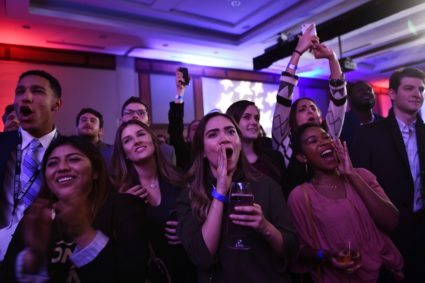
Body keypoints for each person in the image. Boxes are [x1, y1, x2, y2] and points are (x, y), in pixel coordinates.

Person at [0, 136, 149, 282]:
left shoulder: (125, 207)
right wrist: (34, 256)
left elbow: (133, 274)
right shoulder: (37, 215)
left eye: (74, 159)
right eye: (52, 163)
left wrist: (84, 233)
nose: (62, 168)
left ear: (96, 172)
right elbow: (7, 275)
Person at [177, 111, 299, 283]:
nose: (224, 138)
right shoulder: (191, 193)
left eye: (230, 131)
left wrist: (264, 226)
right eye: (213, 134)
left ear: (239, 144)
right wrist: (219, 191)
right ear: (203, 151)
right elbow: (202, 257)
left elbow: (291, 249)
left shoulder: (267, 185)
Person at [288, 123, 403, 282]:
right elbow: (299, 250)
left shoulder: (363, 175)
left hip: (384, 272)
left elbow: (391, 221)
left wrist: (352, 175)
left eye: (326, 137)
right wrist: (326, 256)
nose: (323, 142)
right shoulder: (300, 196)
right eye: (313, 141)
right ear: (302, 157)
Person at [352, 67, 425, 282]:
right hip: (386, 233)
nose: (417, 94)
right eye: (409, 88)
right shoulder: (369, 134)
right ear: (392, 94)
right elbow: (359, 189)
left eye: (421, 89)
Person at [111, 119, 196, 283]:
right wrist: (124, 207)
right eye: (127, 140)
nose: (136, 141)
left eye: (141, 134)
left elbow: (199, 219)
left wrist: (187, 230)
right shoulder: (118, 191)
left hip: (185, 269)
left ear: (153, 141)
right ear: (125, 154)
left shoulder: (180, 179)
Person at [272, 24, 347, 191]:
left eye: (313, 108)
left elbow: (338, 99)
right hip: (299, 210)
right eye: (302, 109)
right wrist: (297, 52)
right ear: (292, 119)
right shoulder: (284, 139)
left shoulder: (330, 133)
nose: (310, 111)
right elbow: (284, 98)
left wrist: (332, 58)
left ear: (320, 117)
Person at [0, 70, 62, 263]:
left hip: (52, 256)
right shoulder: (2, 145)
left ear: (56, 104)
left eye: (37, 91)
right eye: (20, 91)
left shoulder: (73, 152)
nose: (26, 98)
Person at [226, 100, 288, 196]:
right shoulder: (227, 160)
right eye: (247, 117)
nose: (254, 122)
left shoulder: (274, 157)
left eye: (256, 118)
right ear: (233, 121)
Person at [120, 96, 176, 165]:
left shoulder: (166, 151)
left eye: (141, 113)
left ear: (148, 122)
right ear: (121, 120)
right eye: (129, 113)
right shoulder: (108, 155)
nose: (135, 116)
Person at [168, 68, 200, 170]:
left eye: (203, 128)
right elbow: (175, 130)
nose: (200, 130)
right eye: (195, 128)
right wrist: (179, 93)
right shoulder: (184, 153)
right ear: (188, 137)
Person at [340, 81, 383, 153]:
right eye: (360, 90)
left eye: (369, 90)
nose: (366, 92)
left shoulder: (384, 123)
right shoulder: (341, 125)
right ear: (349, 99)